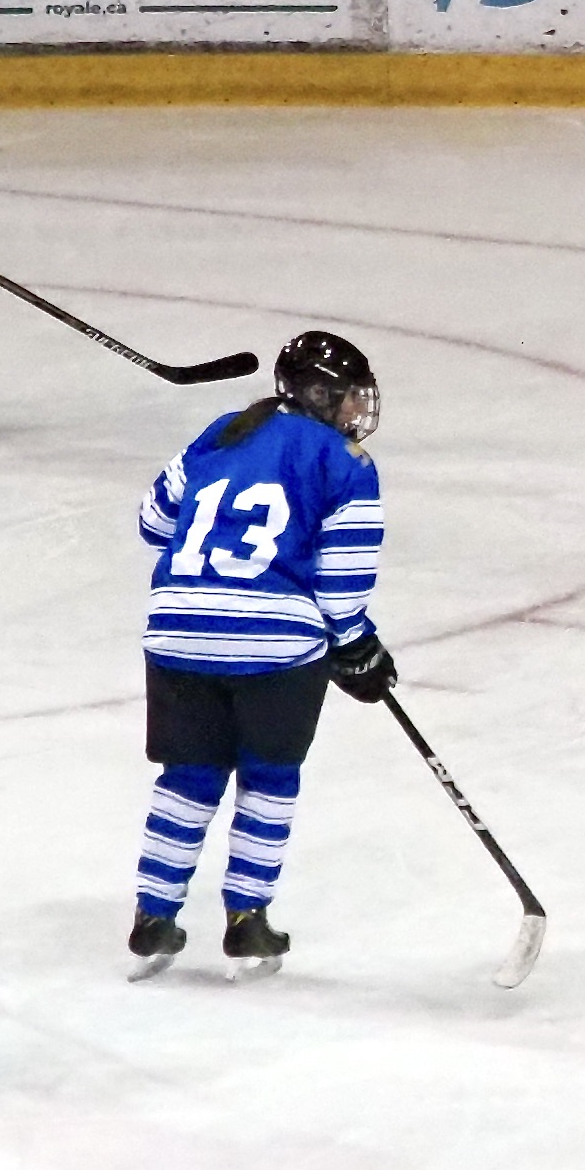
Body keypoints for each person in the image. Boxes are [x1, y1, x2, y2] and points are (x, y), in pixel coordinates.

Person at [131, 333, 396, 975]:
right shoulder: (345, 461)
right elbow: (341, 584)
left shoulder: (222, 431)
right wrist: (357, 646)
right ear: (318, 394)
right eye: (347, 395)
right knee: (270, 777)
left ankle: (153, 916)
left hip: (178, 628)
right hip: (274, 643)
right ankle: (247, 918)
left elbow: (153, 522)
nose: (355, 409)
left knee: (189, 775)